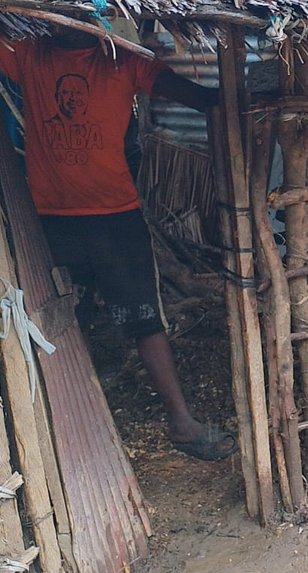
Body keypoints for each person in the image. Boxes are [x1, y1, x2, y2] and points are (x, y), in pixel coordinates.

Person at [0, 28, 234, 461]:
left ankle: (181, 423)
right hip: (50, 221)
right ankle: (69, 425)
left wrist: (239, 100)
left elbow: (195, 96)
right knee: (61, 321)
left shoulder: (122, 61)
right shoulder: (29, 53)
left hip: (115, 219)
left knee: (144, 319)